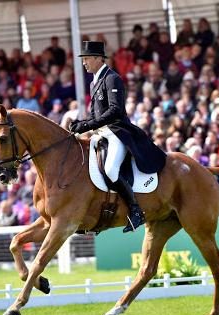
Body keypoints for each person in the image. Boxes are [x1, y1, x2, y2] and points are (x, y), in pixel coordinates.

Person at [70, 41, 166, 232]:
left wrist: (88, 124)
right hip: (101, 135)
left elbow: (115, 110)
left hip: (117, 132)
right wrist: (81, 123)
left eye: (87, 59)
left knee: (111, 169)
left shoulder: (112, 78)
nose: (84, 63)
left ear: (98, 58)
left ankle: (136, 210)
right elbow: (96, 115)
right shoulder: (94, 82)